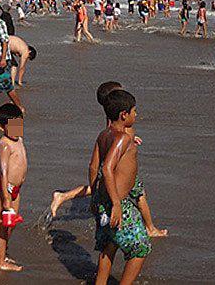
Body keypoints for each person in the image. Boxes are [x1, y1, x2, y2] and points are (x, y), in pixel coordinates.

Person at [49, 82, 166, 239]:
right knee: (139, 195)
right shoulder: (120, 114)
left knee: (102, 186)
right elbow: (116, 139)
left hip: (118, 158)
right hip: (121, 163)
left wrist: (132, 140)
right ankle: (150, 228)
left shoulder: (116, 116)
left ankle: (63, 196)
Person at [91, 89, 150, 285]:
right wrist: (116, 204)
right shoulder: (122, 138)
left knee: (109, 244)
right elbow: (107, 168)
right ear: (123, 115)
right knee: (140, 248)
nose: (136, 115)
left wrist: (94, 199)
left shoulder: (104, 134)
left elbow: (93, 167)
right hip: (118, 203)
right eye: (134, 111)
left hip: (103, 200)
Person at [0, 103, 27, 272]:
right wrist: (6, 197)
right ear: (2, 127)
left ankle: (2, 253)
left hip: (16, 190)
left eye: (19, 125)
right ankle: (0, 260)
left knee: (10, 224)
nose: (17, 129)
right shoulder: (4, 144)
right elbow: (3, 172)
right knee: (3, 224)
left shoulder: (19, 140)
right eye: (12, 126)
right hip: (5, 189)